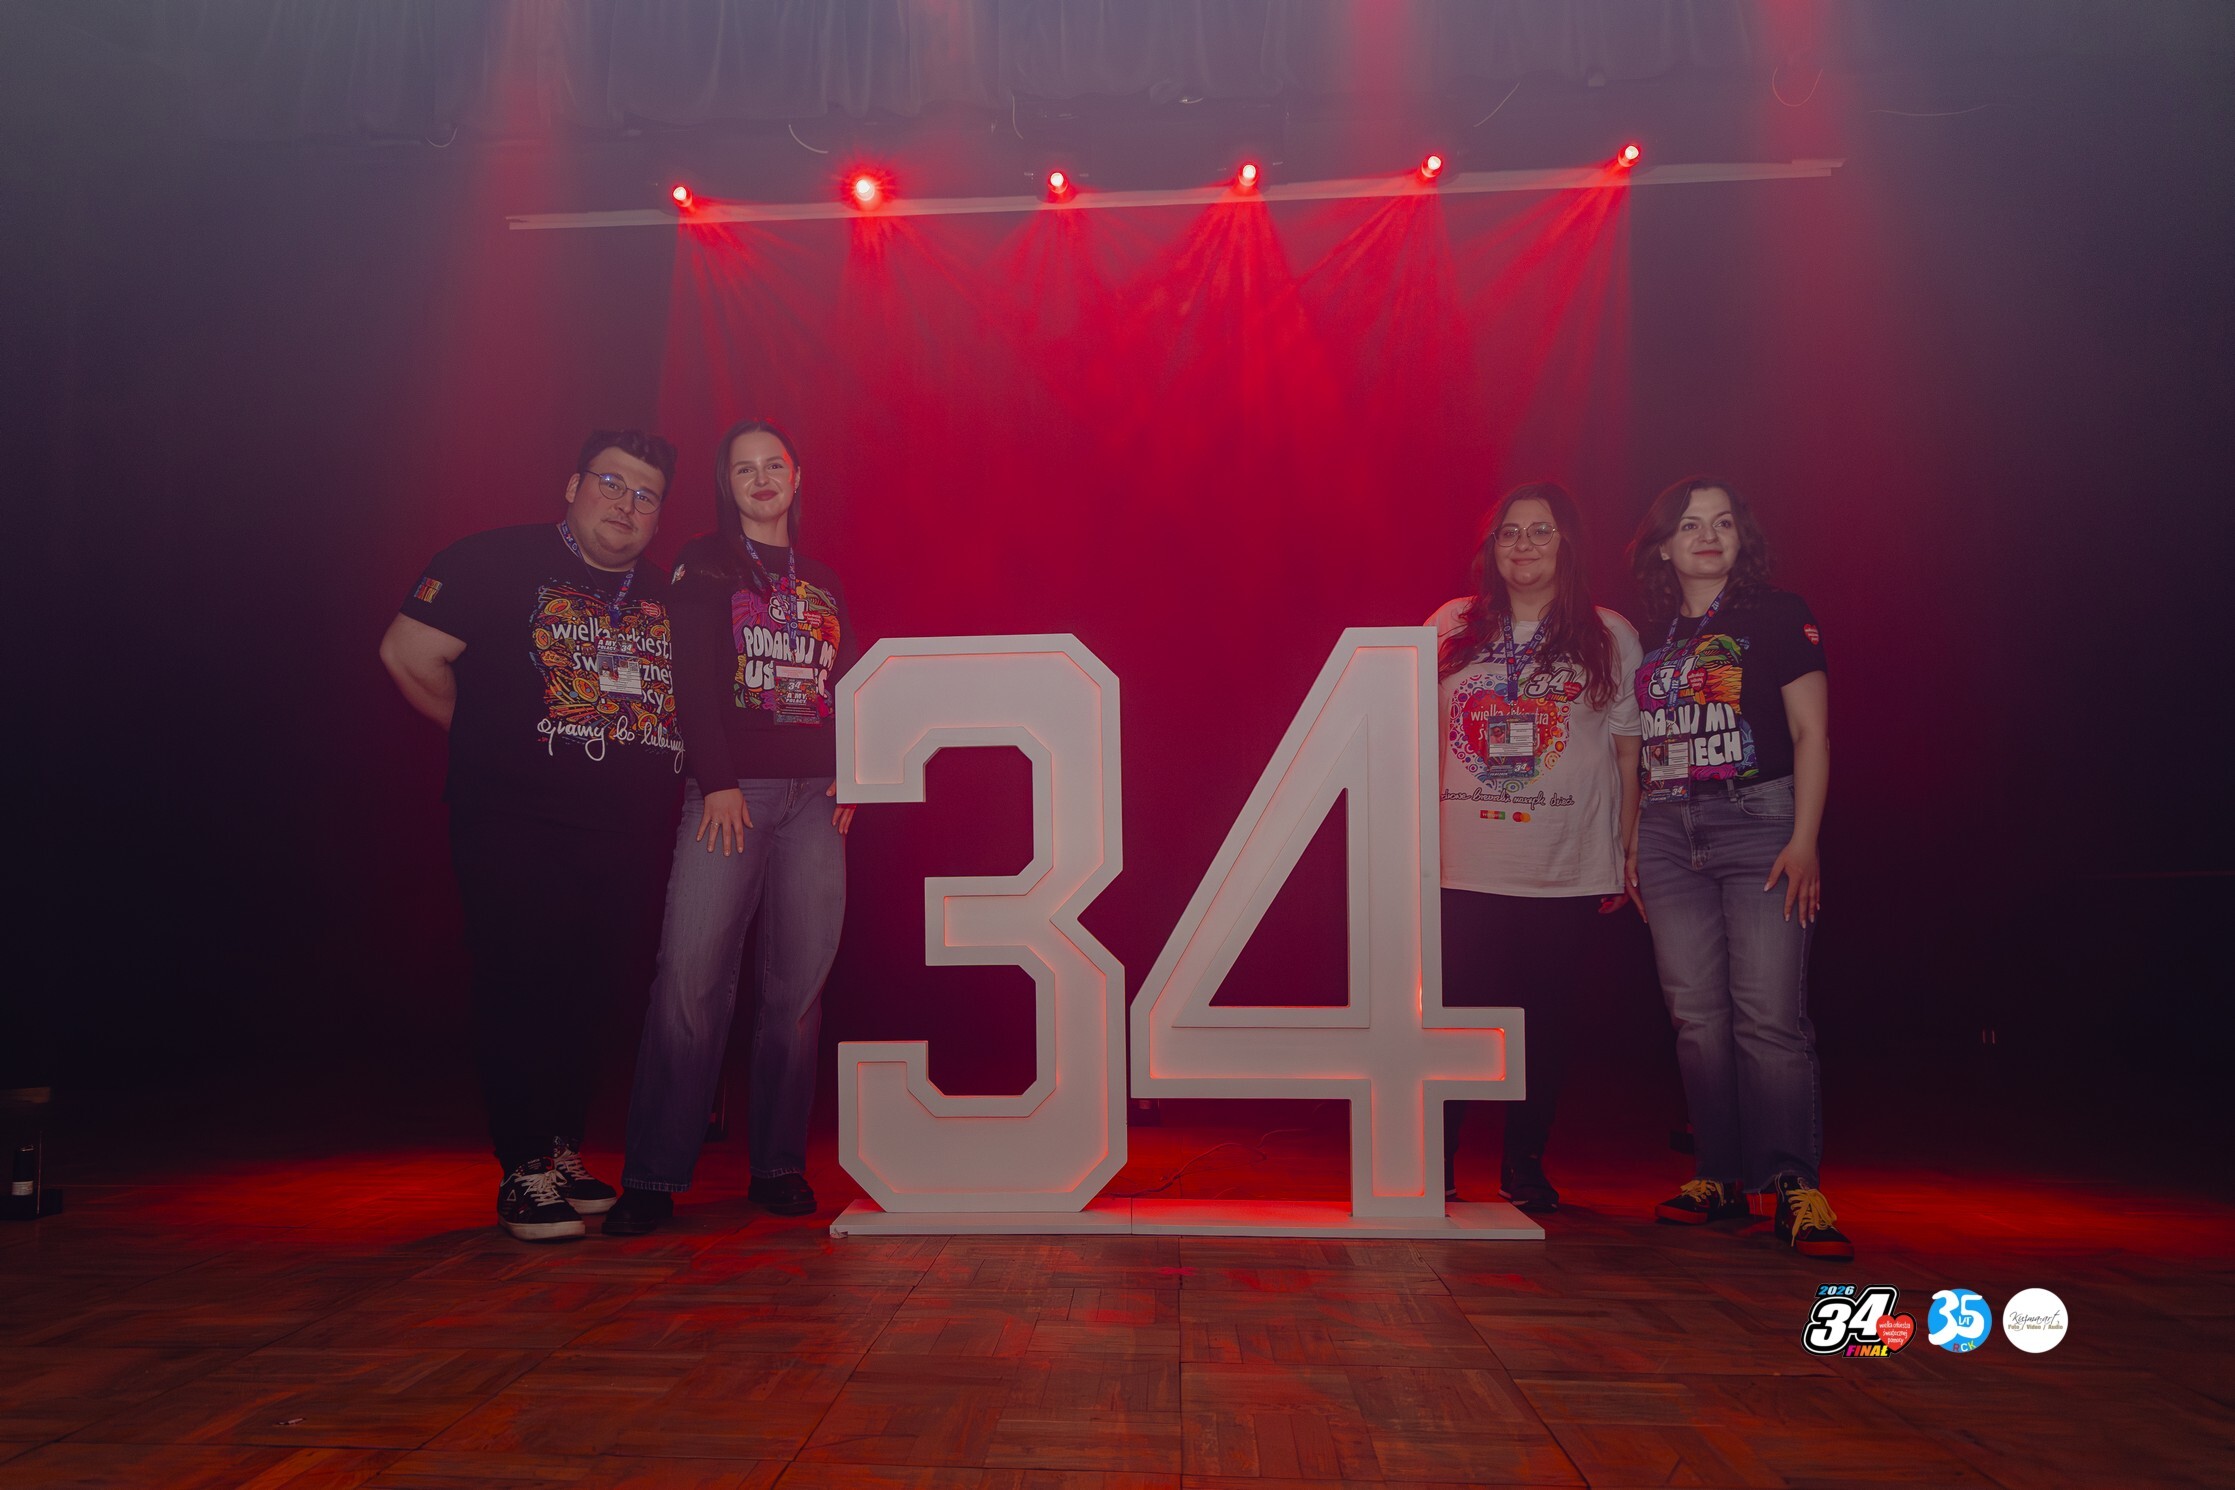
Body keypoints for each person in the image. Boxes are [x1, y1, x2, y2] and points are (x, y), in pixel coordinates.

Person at [379, 429, 683, 1242]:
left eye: (646, 495)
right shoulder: (491, 559)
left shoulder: (664, 591)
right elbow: (407, 654)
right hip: (516, 821)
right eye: (611, 483)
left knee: (589, 993)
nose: (625, 504)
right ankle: (520, 1168)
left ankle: (559, 1151)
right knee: (520, 983)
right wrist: (488, 739)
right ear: (572, 486)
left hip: (627, 831)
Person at [603, 418, 858, 1235]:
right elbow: (691, 677)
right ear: (727, 484)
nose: (760, 478)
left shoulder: (825, 579)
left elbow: (851, 684)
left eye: (772, 464)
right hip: (731, 793)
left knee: (797, 992)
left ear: (796, 476)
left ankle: (778, 1165)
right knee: (690, 979)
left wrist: (862, 770)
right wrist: (715, 780)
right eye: (742, 469)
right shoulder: (703, 562)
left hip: (816, 800)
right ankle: (653, 1176)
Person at [1624, 476, 1848, 1259]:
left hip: (1758, 824)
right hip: (1665, 830)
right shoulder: (1647, 636)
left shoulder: (1778, 614)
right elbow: (1635, 748)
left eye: (1722, 523)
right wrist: (1632, 841)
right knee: (1696, 1017)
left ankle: (1792, 1184)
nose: (1707, 536)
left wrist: (1804, 839)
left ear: (1740, 537)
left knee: (1768, 1015)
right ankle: (1717, 1176)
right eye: (1689, 524)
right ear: (1662, 545)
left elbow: (1811, 734)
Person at [1430, 483, 1642, 1214]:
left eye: (1540, 531)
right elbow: (1407, 733)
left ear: (1567, 544)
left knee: (1544, 1025)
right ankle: (1435, 1158)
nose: (1522, 545)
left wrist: (1626, 848)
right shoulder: (1450, 624)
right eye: (1509, 533)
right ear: (1491, 549)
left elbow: (1627, 754)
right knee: (1454, 1018)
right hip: (1459, 862)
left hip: (1562, 866)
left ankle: (1523, 1163)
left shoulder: (1609, 633)